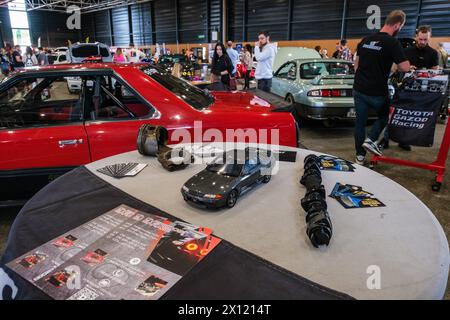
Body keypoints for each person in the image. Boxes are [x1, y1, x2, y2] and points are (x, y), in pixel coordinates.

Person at [353, 10, 411, 165]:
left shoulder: (365, 40)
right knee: (385, 116)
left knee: (360, 122)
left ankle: (359, 156)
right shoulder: (392, 43)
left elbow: (356, 64)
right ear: (397, 24)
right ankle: (371, 139)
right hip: (377, 91)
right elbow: (405, 67)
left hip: (358, 88)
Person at [383, 25, 439, 152]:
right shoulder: (407, 51)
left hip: (421, 92)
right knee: (395, 114)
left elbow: (435, 73)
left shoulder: (433, 53)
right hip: (403, 88)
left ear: (429, 38)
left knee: (410, 117)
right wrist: (406, 68)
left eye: (425, 40)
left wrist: (423, 72)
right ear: (416, 36)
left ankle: (404, 141)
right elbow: (395, 68)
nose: (422, 42)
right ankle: (385, 139)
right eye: (420, 39)